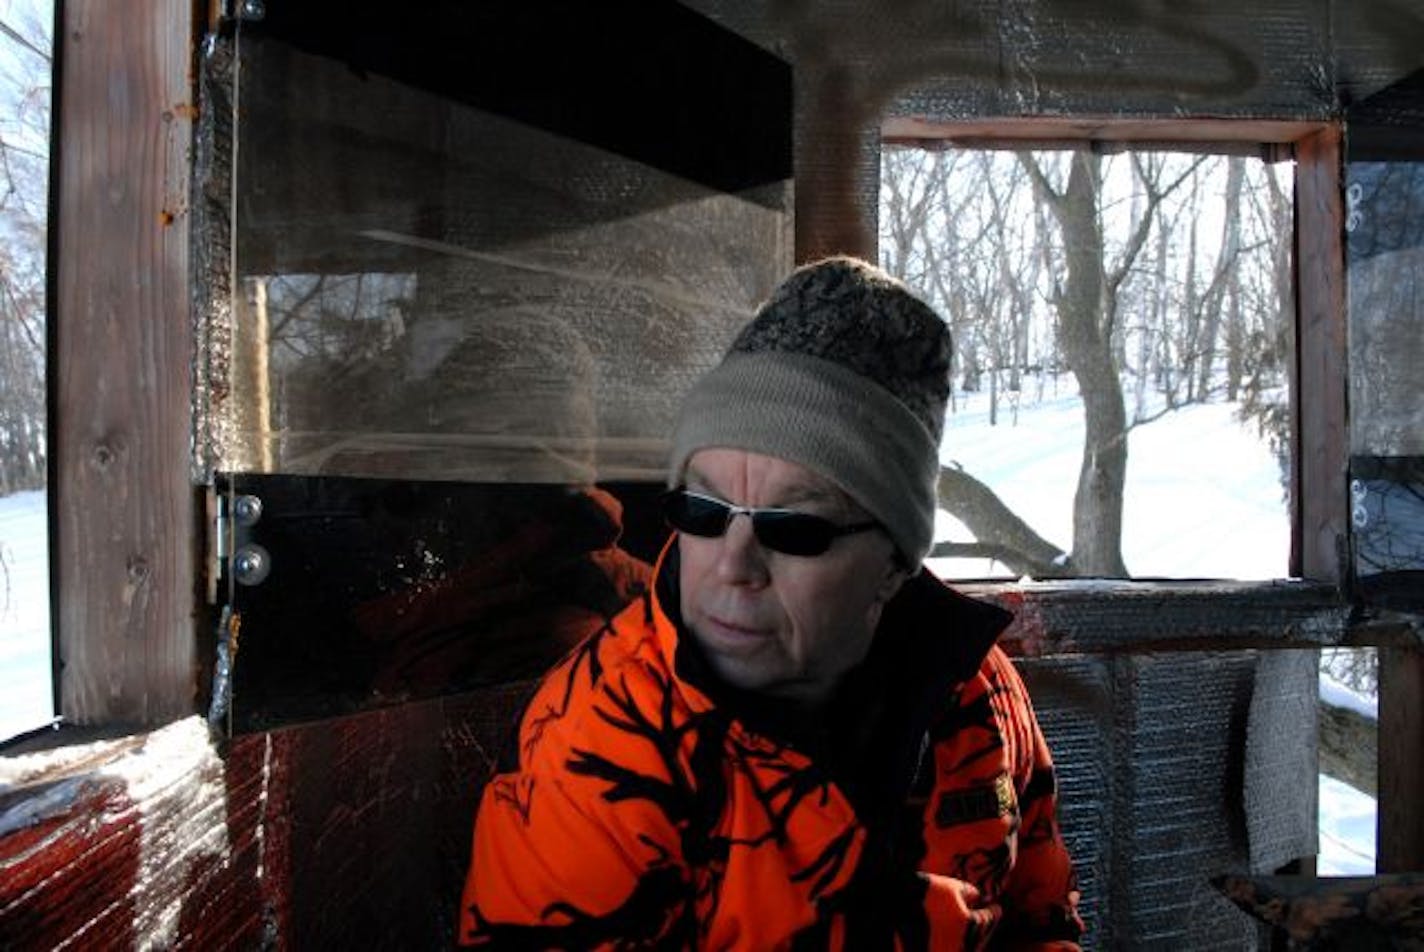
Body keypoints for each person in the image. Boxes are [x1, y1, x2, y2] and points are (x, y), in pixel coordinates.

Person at [458, 257, 1083, 949]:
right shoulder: (603, 741)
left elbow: (1042, 920)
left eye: (796, 529)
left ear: (893, 564)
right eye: (702, 509)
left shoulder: (980, 691)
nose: (732, 565)